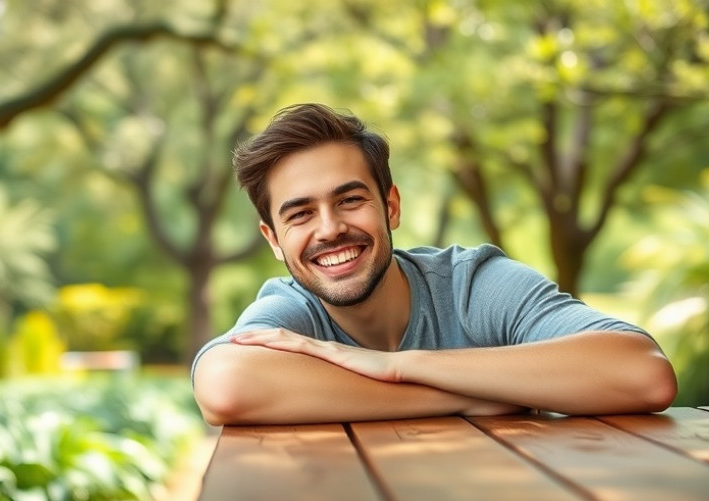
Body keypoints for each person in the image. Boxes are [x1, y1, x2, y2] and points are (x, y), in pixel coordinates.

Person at [192, 103, 677, 426]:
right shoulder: (291, 311)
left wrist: (401, 366)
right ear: (273, 240)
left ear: (391, 206)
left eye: (350, 200)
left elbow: (643, 373)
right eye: (300, 214)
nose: (329, 228)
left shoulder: (474, 285)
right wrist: (462, 396)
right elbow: (225, 384)